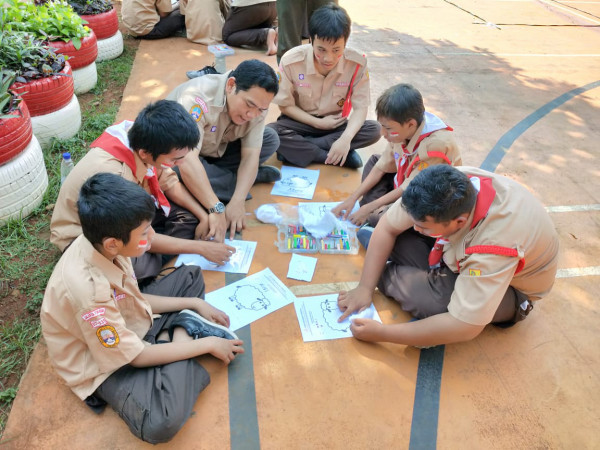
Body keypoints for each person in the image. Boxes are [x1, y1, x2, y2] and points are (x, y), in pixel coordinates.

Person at [41, 173, 244, 444]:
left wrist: (193, 302)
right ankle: (176, 336)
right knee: (161, 421)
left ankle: (174, 337)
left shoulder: (103, 244)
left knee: (190, 277)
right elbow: (134, 357)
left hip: (131, 321)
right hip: (103, 363)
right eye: (144, 233)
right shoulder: (89, 294)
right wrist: (206, 345)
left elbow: (135, 299)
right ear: (114, 242)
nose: (151, 238)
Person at [337, 165, 559, 347]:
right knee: (385, 225)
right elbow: (389, 227)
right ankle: (388, 256)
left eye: (422, 226)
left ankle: (388, 271)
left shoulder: (494, 247)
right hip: (455, 252)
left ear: (459, 222)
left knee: (430, 303)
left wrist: (383, 333)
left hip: (510, 288)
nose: (415, 228)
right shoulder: (444, 187)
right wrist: (364, 288)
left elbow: (464, 326)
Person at [50, 100, 236, 285]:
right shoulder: (115, 175)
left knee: (190, 217)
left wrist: (203, 216)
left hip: (128, 216)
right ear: (145, 153)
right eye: (175, 159)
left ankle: (159, 249)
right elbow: (133, 235)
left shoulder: (144, 139)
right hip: (93, 235)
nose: (180, 163)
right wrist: (201, 248)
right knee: (136, 266)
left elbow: (169, 182)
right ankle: (148, 266)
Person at [166, 59, 281, 239]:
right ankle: (244, 179)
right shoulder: (197, 99)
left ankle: (224, 183)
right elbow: (186, 160)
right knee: (175, 168)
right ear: (231, 85)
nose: (252, 114)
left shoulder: (258, 105)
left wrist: (238, 200)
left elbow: (251, 154)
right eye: (249, 105)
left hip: (217, 150)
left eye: (261, 109)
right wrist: (216, 207)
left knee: (270, 139)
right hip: (184, 155)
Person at [332, 83, 461, 229]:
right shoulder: (402, 131)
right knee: (374, 162)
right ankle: (371, 212)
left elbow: (411, 187)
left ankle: (373, 215)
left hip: (424, 198)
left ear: (411, 124)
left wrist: (368, 208)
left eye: (388, 128)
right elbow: (381, 166)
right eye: (382, 126)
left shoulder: (436, 145)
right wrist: (353, 199)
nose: (382, 133)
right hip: (403, 181)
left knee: (379, 221)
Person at [268, 3, 381, 168]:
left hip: (335, 125)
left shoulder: (357, 63)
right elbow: (286, 107)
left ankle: (302, 150)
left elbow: (360, 108)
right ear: (311, 40)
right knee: (270, 133)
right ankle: (332, 156)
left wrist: (345, 139)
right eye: (321, 49)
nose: (328, 58)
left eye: (336, 50)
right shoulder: (291, 60)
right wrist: (317, 123)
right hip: (300, 122)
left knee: (374, 129)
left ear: (346, 42)